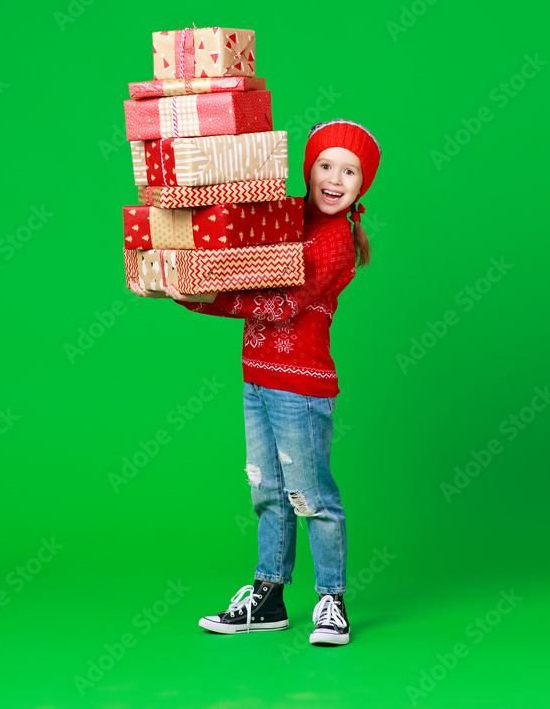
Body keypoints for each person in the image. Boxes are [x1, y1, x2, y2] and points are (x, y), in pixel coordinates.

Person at [128, 119, 381, 646]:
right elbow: (234, 246)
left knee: (311, 496)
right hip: (257, 379)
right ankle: (268, 595)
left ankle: (331, 599)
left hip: (300, 388)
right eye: (326, 165)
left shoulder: (334, 241)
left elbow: (282, 303)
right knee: (267, 491)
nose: (335, 179)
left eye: (350, 171)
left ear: (363, 184)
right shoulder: (283, 218)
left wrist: (203, 298)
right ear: (308, 170)